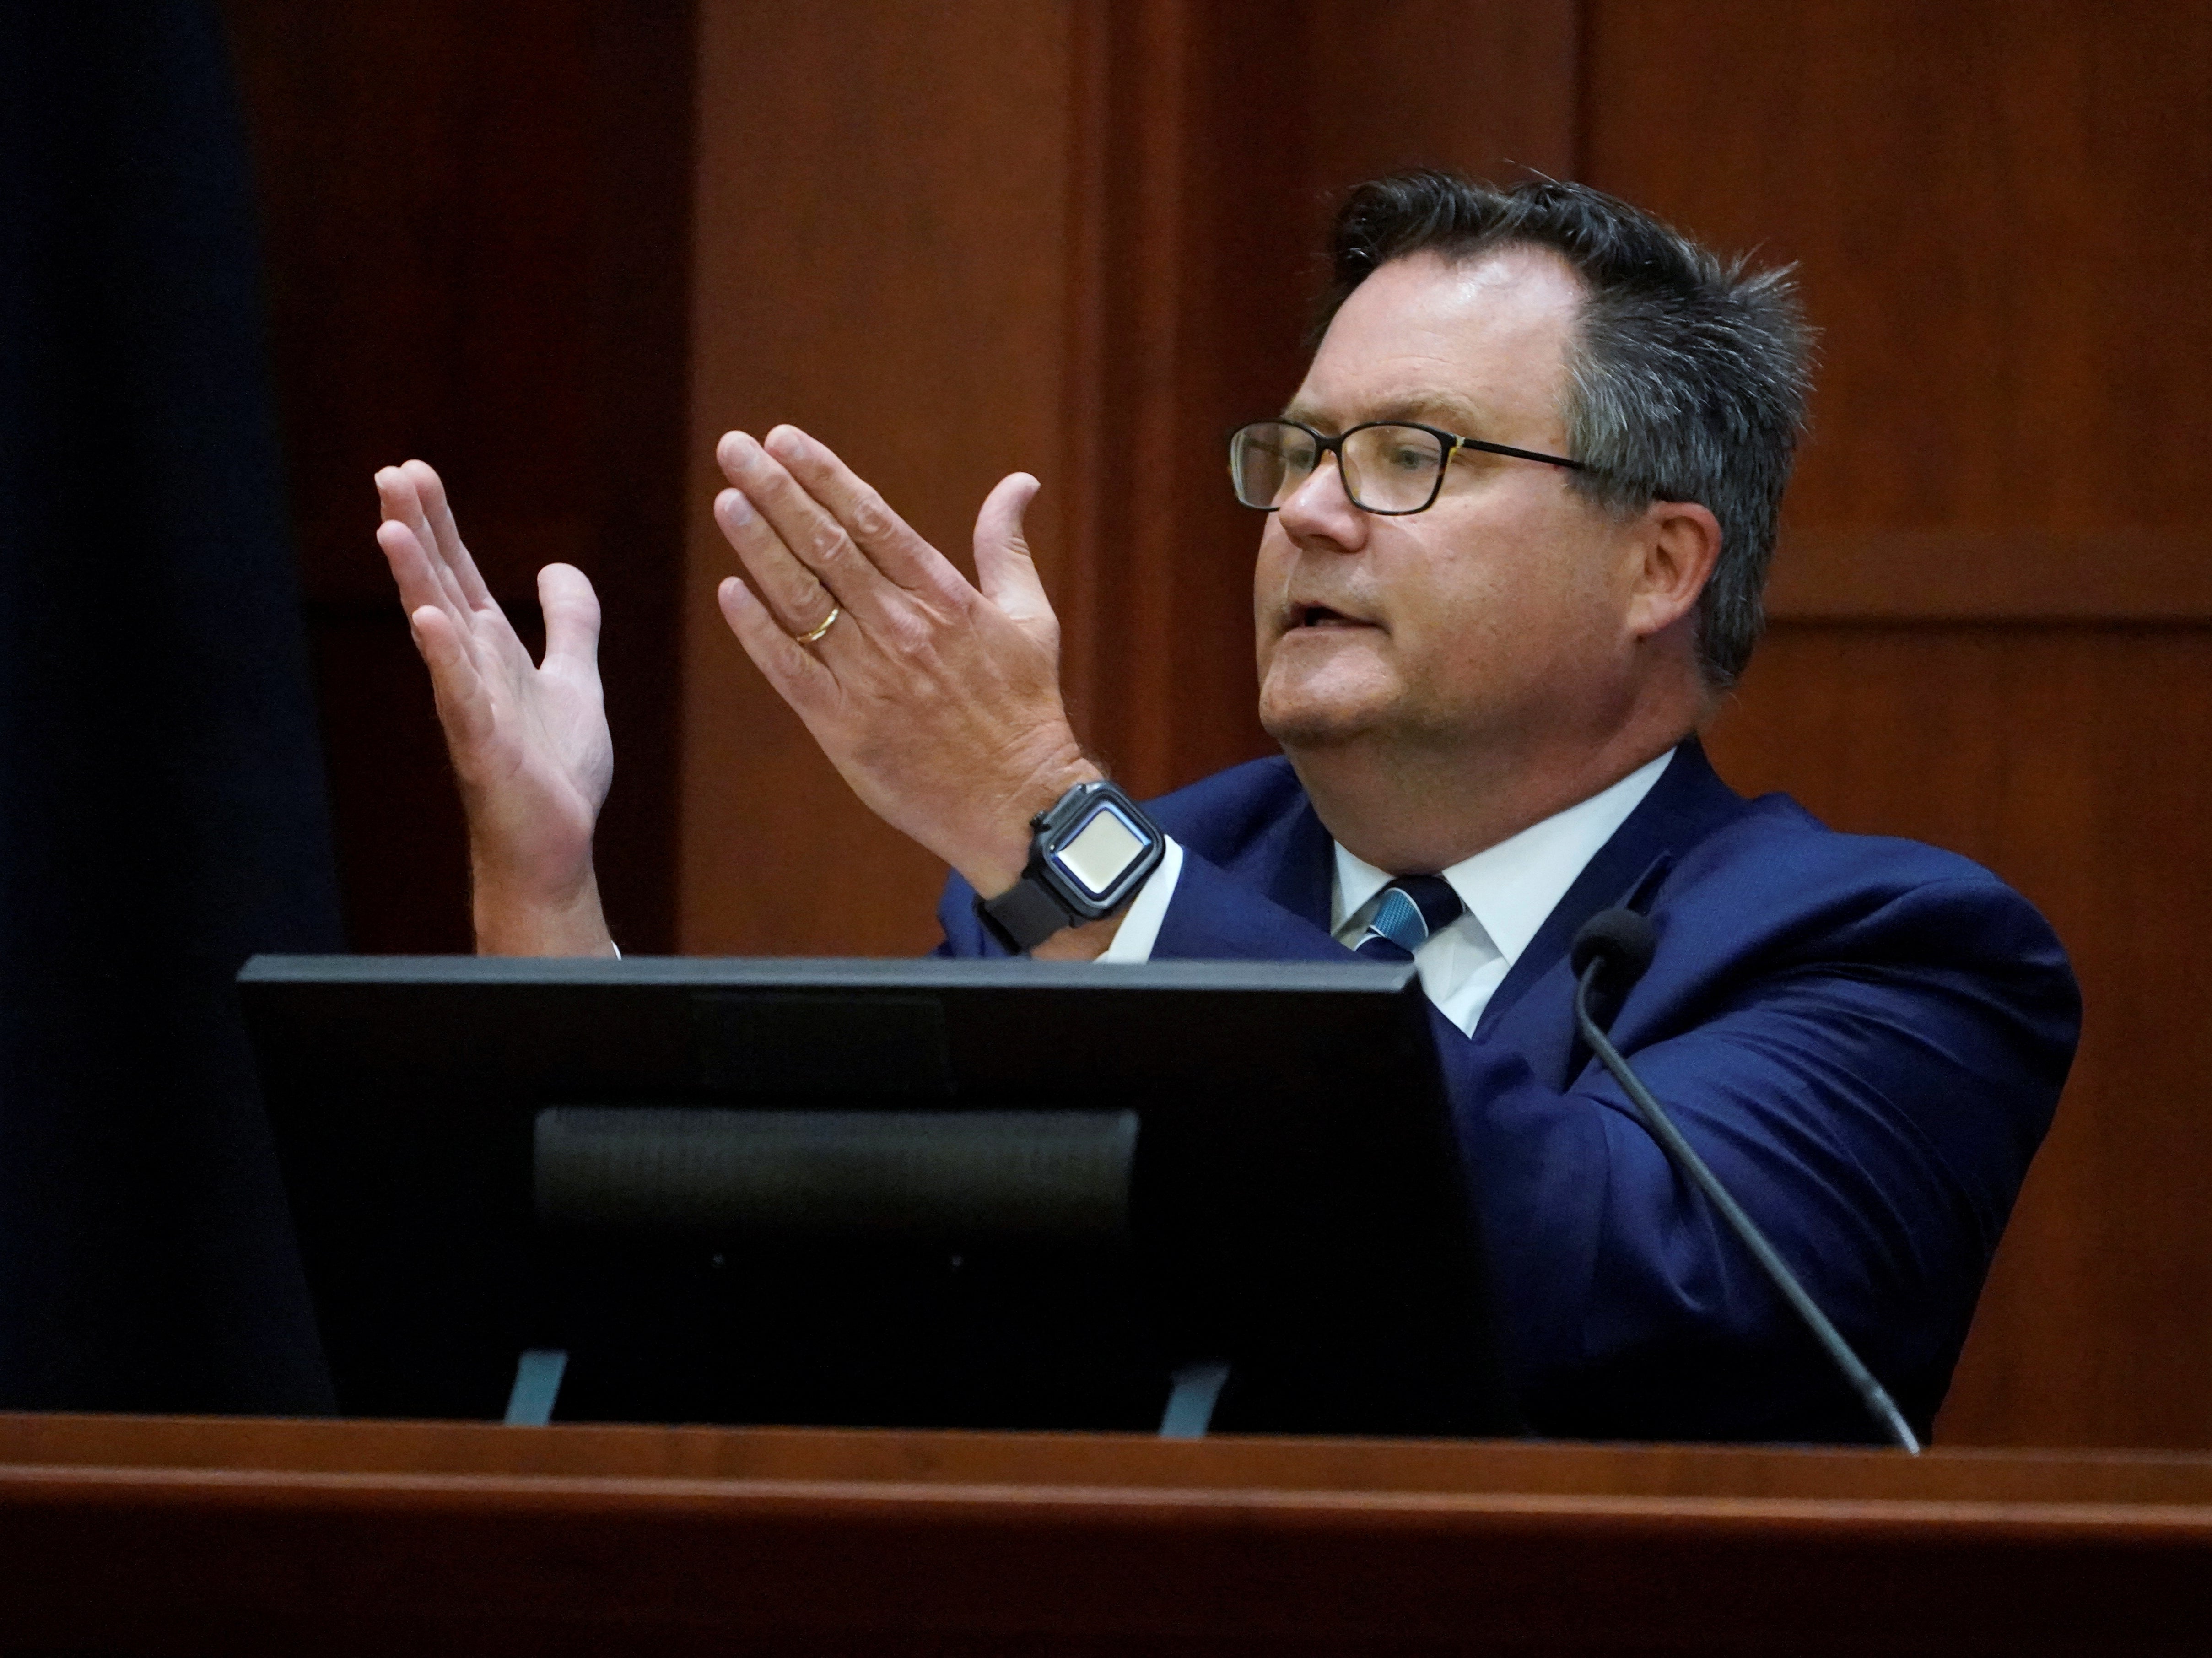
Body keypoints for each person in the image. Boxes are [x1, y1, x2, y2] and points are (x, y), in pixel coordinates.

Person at [373, 173, 2078, 1442]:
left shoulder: (1890, 960)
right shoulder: (1064, 908)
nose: (1314, 515)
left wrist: (1062, 834)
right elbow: (743, 1360)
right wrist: (545, 899)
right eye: (1298, 451)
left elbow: (1634, 1303)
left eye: (1411, 456)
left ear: (1658, 561)